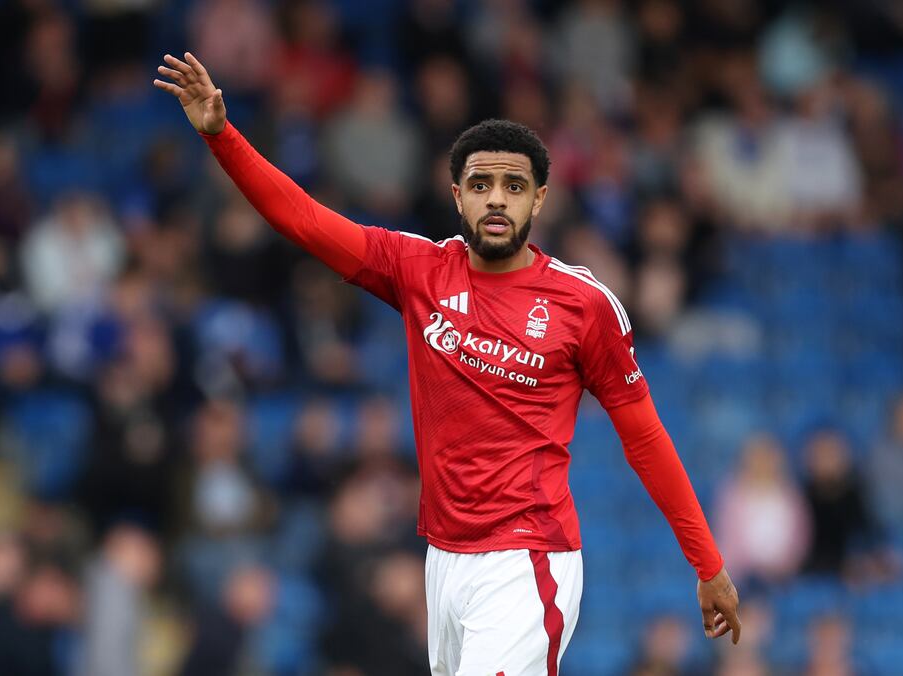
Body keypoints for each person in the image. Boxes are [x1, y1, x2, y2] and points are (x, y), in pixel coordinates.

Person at [154, 51, 740, 675]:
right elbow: (303, 219)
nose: (497, 200)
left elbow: (645, 437)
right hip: (444, 561)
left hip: (527, 561)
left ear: (539, 199)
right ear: (457, 195)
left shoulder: (583, 305)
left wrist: (707, 565)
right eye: (481, 185)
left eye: (514, 186)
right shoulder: (418, 270)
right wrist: (222, 135)